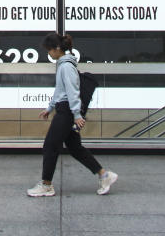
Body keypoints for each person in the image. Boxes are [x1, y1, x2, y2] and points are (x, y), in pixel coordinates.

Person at [27, 33, 118, 197]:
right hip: (65, 109)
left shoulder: (66, 66)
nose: (48, 53)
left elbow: (72, 91)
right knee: (75, 148)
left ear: (56, 49)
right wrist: (49, 107)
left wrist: (76, 114)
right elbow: (60, 90)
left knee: (50, 146)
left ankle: (46, 185)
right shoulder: (64, 65)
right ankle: (104, 175)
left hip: (67, 111)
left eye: (49, 50)